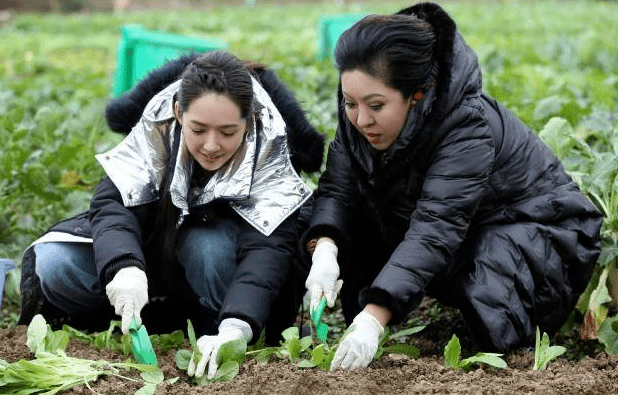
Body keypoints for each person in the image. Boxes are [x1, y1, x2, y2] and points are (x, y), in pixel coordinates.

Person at [301, 2, 604, 370]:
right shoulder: (362, 116)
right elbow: (338, 189)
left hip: (545, 235)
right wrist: (326, 249)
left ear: (417, 93)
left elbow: (436, 228)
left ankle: (512, 346)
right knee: (358, 213)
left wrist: (374, 319)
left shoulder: (466, 126)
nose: (361, 119)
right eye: (351, 103)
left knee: (489, 277)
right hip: (467, 228)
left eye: (376, 105)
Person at [18, 51, 325, 379]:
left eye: (227, 132)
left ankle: (211, 329)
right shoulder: (155, 128)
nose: (211, 145)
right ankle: (121, 317)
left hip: (218, 275)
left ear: (247, 120)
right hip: (154, 254)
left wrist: (236, 328)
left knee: (207, 247)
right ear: (179, 112)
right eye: (199, 129)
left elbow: (266, 252)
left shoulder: (269, 149)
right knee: (54, 263)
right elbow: (113, 205)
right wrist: (124, 268)